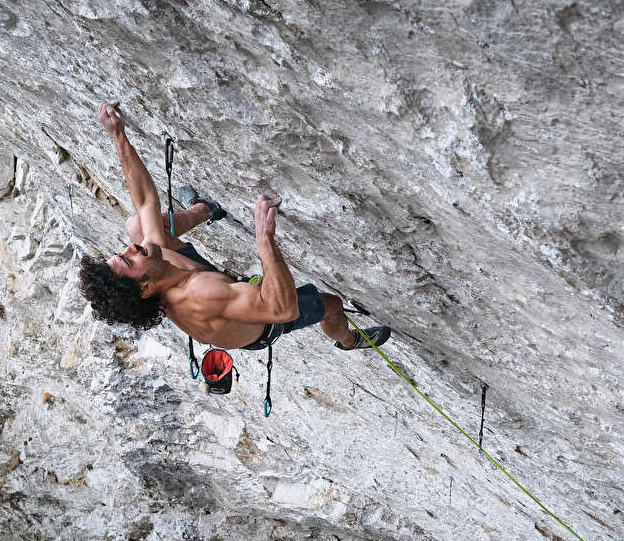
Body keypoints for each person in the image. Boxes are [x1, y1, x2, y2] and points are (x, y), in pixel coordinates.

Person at [78, 102, 390, 354]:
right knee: (331, 305)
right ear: (145, 288)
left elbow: (145, 200)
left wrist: (118, 136)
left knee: (138, 225)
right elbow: (282, 309)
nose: (132, 249)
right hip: (264, 322)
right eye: (130, 260)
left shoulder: (156, 263)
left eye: (123, 253)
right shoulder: (199, 296)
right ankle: (348, 341)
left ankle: (203, 210)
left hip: (197, 277)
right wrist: (265, 242)